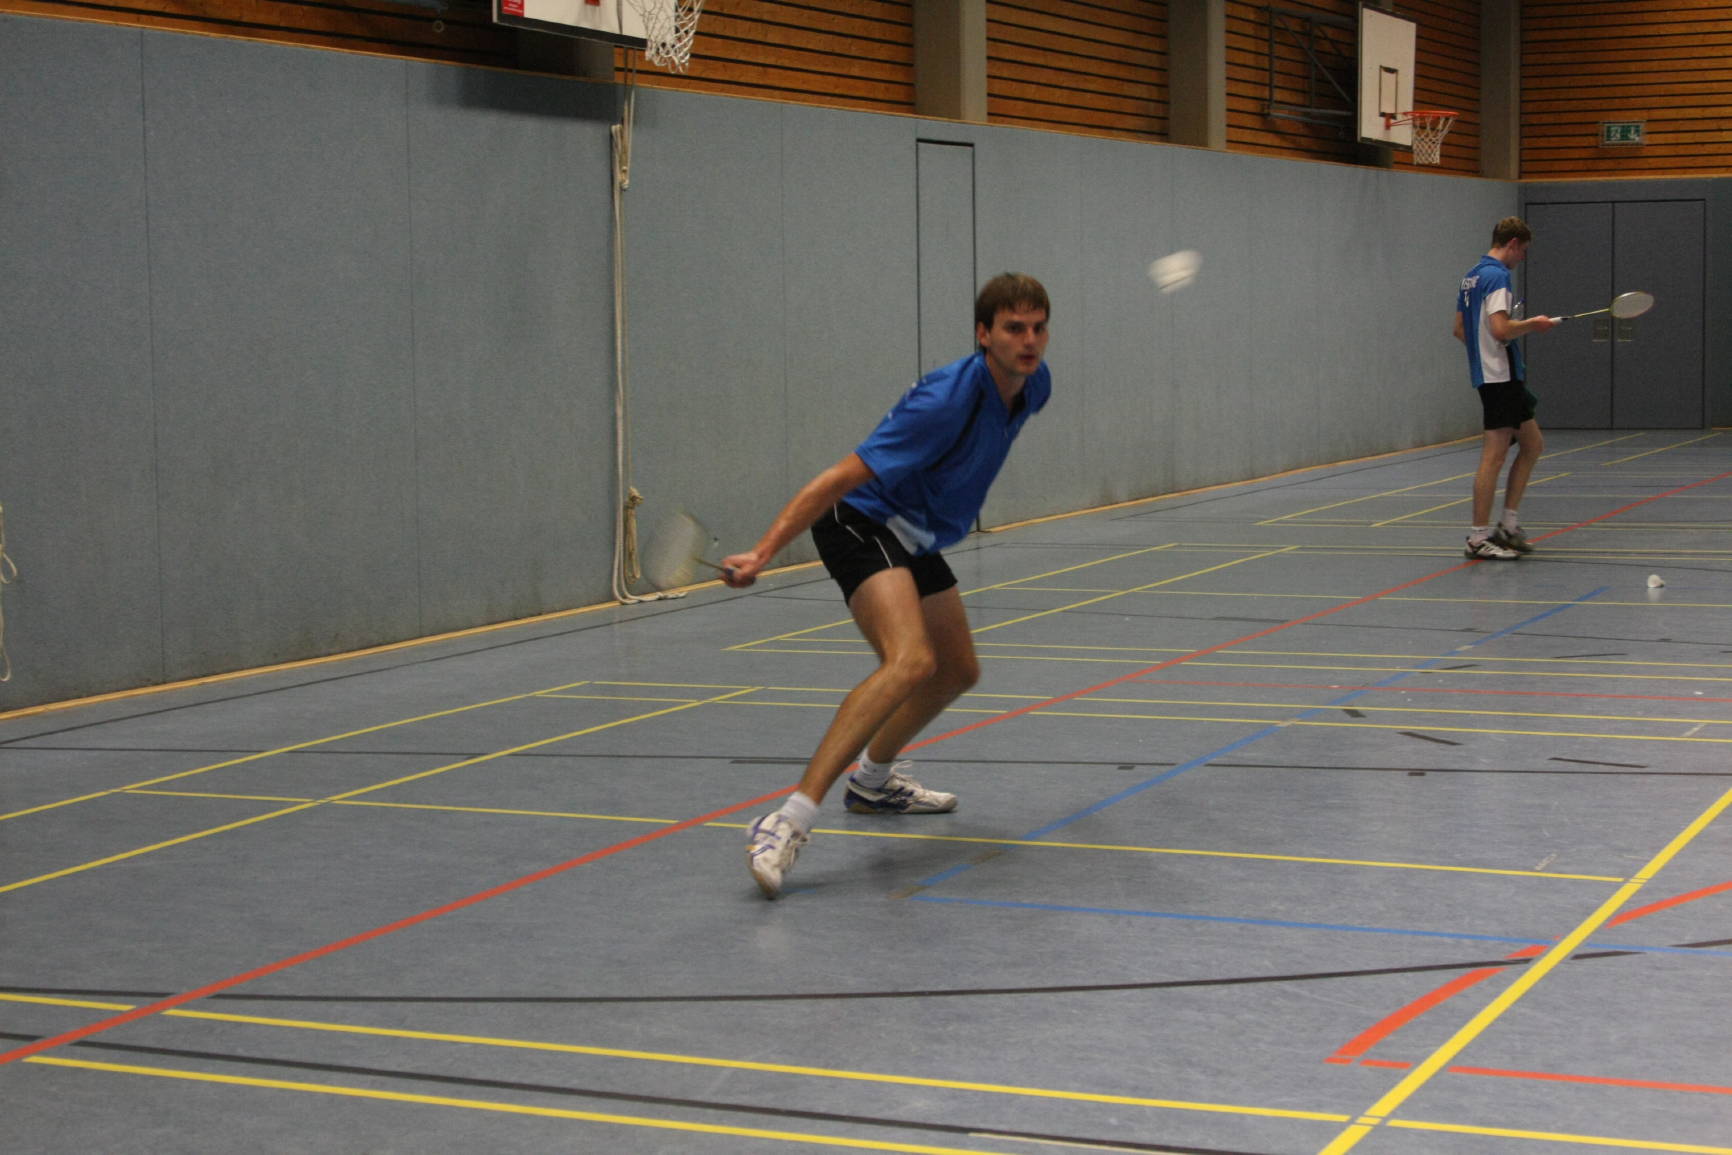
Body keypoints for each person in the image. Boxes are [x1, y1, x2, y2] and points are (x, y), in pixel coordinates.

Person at [720, 272, 1053, 899]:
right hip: (861, 519)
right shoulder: (945, 400)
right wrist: (764, 552)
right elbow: (835, 480)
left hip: (916, 532)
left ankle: (872, 784)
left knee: (957, 670)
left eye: (1038, 328)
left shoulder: (1034, 387)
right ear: (984, 335)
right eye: (1014, 328)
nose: (1029, 340)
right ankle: (786, 820)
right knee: (909, 661)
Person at [1453, 216, 1558, 560]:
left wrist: (1482, 353)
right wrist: (1533, 325)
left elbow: (1459, 329)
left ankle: (1508, 526)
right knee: (1494, 456)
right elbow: (1500, 329)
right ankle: (1478, 538)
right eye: (1523, 250)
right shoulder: (1497, 276)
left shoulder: (1471, 276)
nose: (1522, 257)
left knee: (1532, 444)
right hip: (1500, 377)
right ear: (1512, 243)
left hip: (1496, 375)